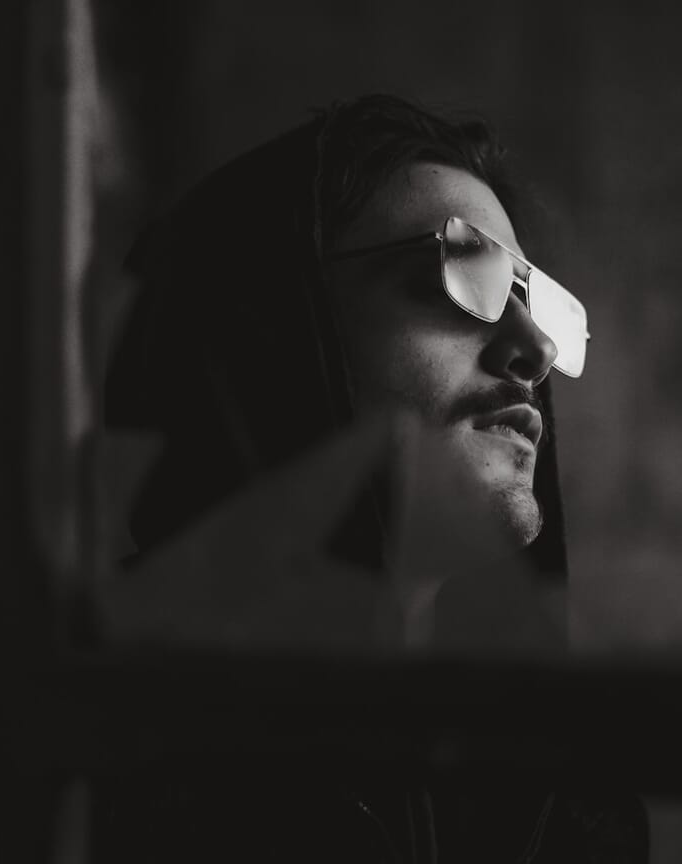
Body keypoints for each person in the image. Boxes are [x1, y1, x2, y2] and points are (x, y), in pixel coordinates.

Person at [97, 94, 646, 863]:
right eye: (459, 275)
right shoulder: (99, 740)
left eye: (534, 301)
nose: (535, 351)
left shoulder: (566, 782)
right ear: (273, 334)